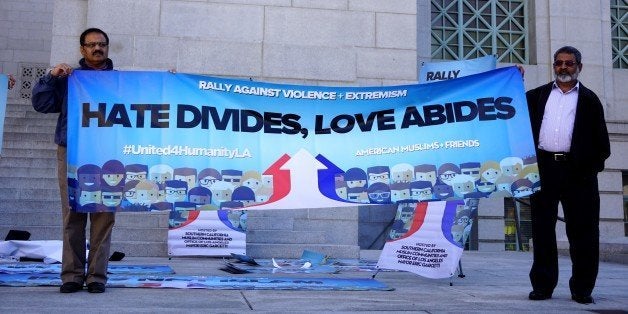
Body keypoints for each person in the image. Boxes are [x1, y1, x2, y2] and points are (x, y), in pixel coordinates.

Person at [32, 28, 115, 294]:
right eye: (91, 45)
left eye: (101, 44)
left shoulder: (121, 81)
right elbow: (42, 104)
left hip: (108, 153)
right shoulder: (69, 79)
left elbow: (152, 101)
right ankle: (72, 275)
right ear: (82, 49)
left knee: (104, 214)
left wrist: (169, 85)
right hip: (72, 150)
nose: (97, 49)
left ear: (107, 48)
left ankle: (96, 277)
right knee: (73, 213)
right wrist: (51, 77)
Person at [525, 46, 610, 304]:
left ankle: (582, 289)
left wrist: (586, 170)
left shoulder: (590, 100)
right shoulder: (536, 96)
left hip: (578, 174)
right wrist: (514, 75)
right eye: (559, 63)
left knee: (583, 233)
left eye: (569, 63)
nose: (563, 68)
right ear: (554, 66)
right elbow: (510, 105)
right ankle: (542, 286)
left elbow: (602, 145)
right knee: (542, 231)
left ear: (579, 67)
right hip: (544, 170)